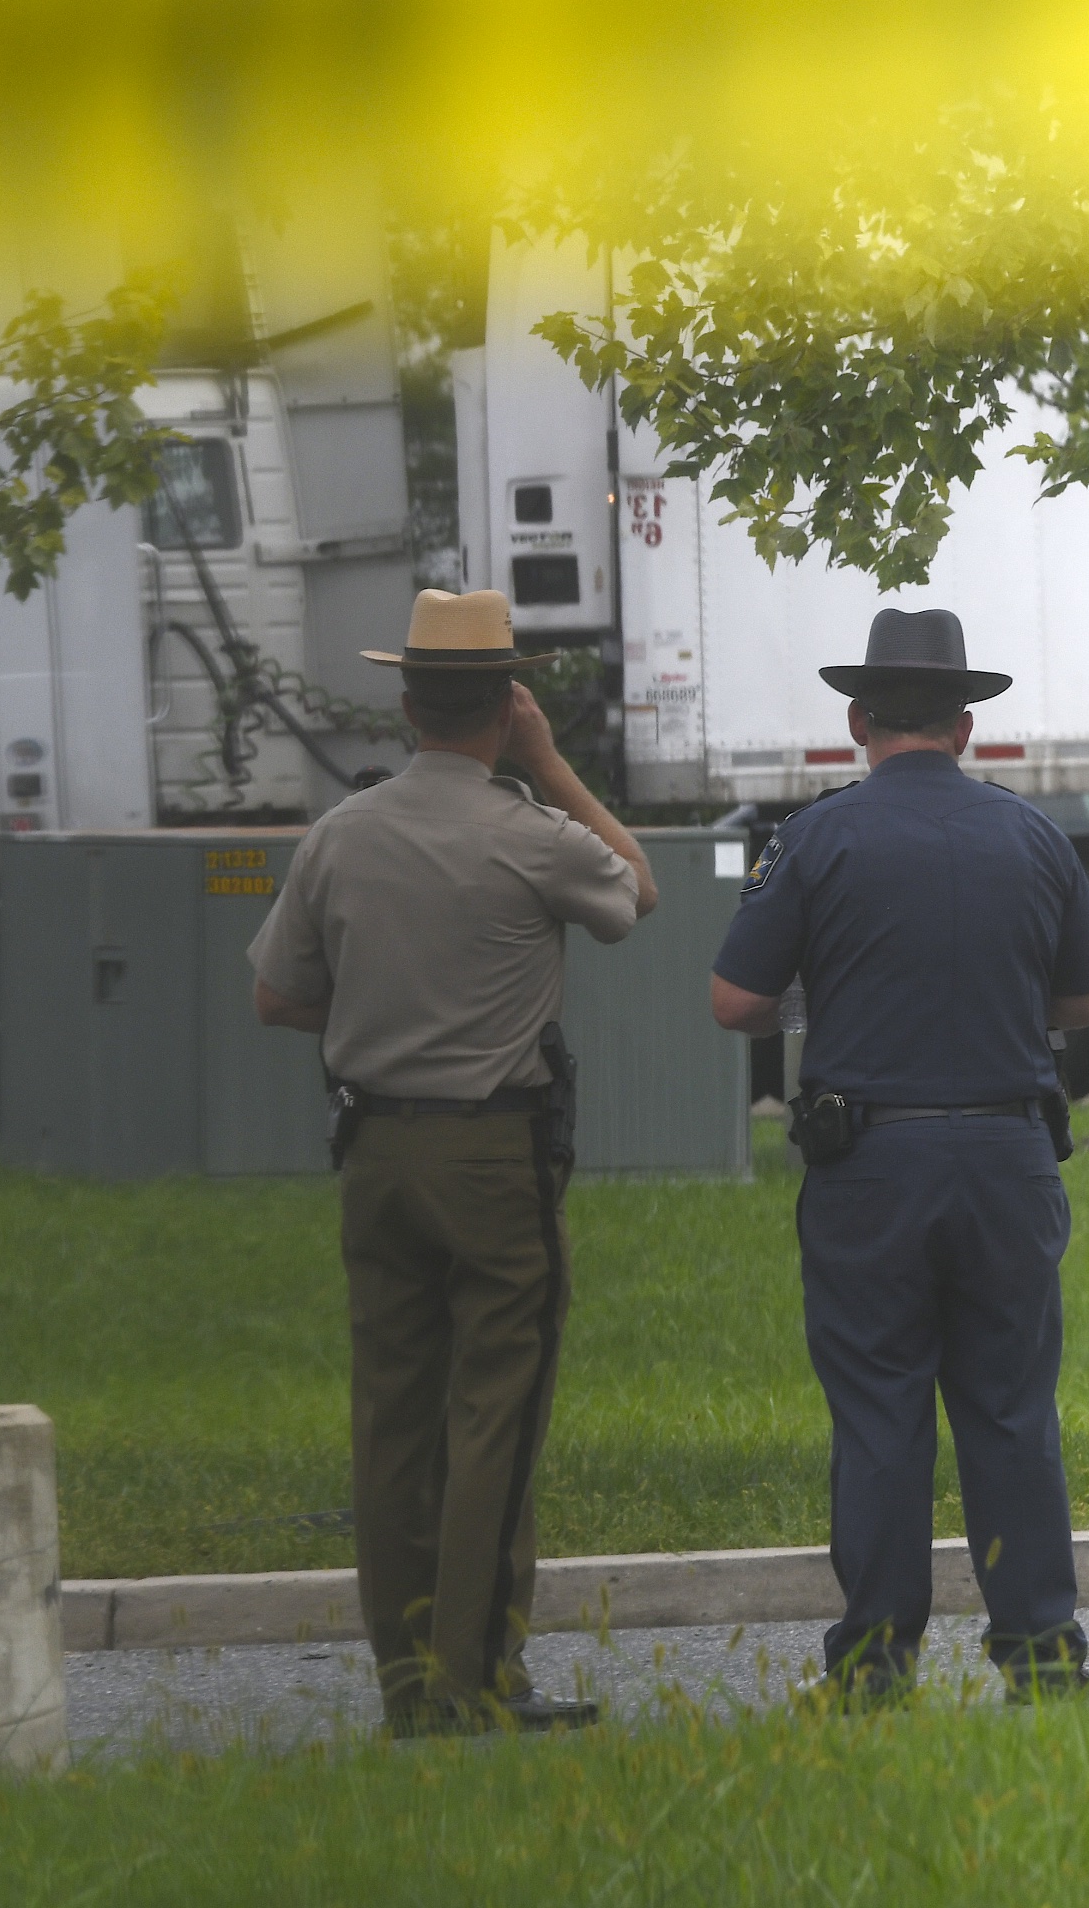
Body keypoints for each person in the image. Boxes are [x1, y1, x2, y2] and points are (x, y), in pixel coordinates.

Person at [247, 588, 658, 1738]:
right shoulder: (526, 831)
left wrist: (378, 999)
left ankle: (402, 1682)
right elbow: (637, 890)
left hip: (374, 1148)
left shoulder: (341, 833)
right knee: (494, 1413)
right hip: (494, 1157)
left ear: (406, 702)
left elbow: (278, 995)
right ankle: (472, 1678)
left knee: (392, 1417)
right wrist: (553, 764)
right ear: (505, 705)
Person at [710, 606, 1089, 1705]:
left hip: (872, 1165)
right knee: (1011, 1412)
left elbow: (736, 999)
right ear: (968, 723)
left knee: (881, 1414)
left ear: (858, 719)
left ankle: (877, 1666)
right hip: (1008, 1156)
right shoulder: (1034, 838)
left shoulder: (817, 838)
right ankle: (1042, 1654)